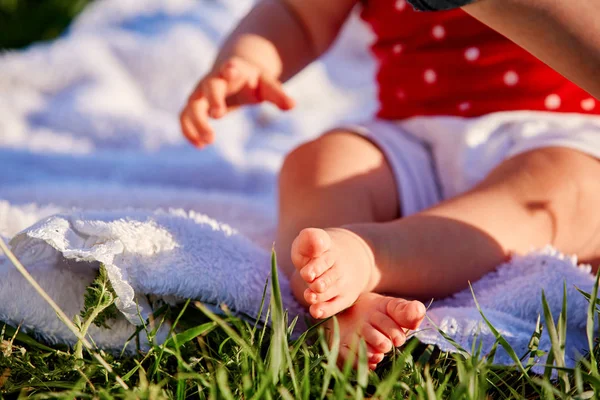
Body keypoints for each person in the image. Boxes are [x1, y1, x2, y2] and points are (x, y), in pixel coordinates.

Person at [179, 0, 600, 369]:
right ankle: (337, 292)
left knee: (565, 189)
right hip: (415, 132)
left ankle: (369, 255)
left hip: (555, 132)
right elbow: (299, 14)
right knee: (319, 162)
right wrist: (249, 61)